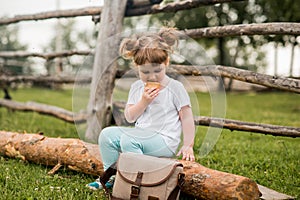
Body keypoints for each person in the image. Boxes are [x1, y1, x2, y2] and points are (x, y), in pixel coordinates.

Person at [87, 27, 195, 190]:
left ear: (166, 63)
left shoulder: (175, 87)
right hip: (142, 135)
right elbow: (130, 118)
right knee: (106, 135)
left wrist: (188, 145)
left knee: (129, 139)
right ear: (137, 67)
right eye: (145, 72)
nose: (152, 77)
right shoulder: (137, 87)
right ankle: (113, 176)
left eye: (157, 70)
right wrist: (143, 101)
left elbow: (186, 117)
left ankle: (138, 181)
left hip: (165, 140)